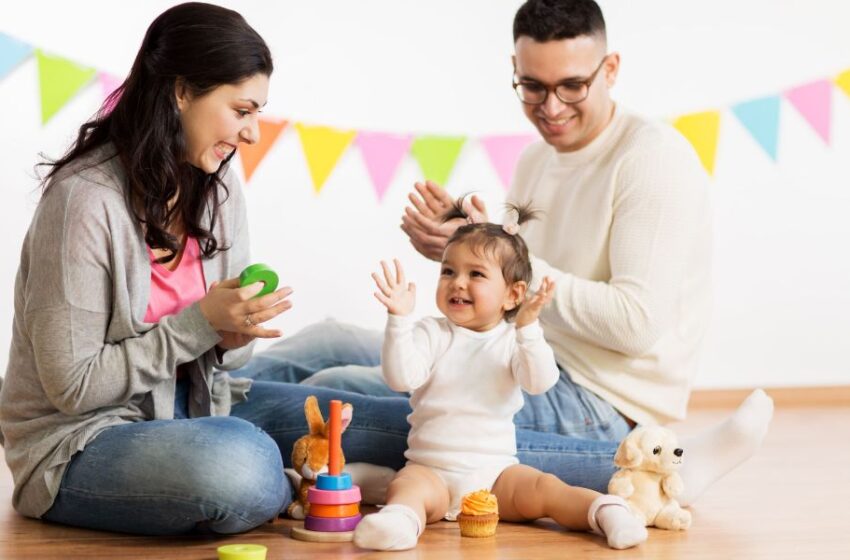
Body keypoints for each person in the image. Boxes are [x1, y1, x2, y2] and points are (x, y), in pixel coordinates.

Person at [233, 0, 774, 508]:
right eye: (532, 87)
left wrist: (504, 263)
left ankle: (656, 470)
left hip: (599, 399)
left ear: (610, 69)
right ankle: (208, 393)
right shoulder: (538, 160)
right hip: (515, 349)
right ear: (514, 68)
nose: (551, 107)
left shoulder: (651, 161)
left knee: (338, 389)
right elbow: (512, 299)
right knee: (328, 338)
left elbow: (634, 325)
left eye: (572, 86)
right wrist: (466, 245)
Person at [353, 203, 647, 551]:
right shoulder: (432, 333)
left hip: (495, 476)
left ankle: (607, 512)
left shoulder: (514, 341)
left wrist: (528, 330)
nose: (457, 282)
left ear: (513, 294)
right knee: (406, 487)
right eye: (448, 271)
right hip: (431, 469)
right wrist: (398, 320)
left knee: (547, 489)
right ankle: (399, 523)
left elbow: (540, 382)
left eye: (475, 274)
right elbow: (401, 378)